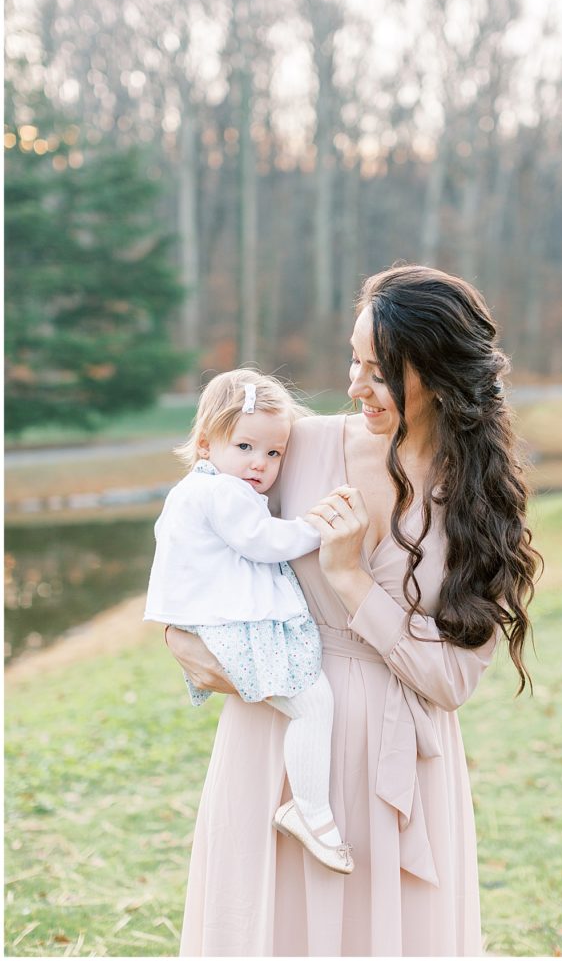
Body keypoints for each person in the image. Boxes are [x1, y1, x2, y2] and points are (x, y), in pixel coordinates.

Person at [165, 265, 541, 956]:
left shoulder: (479, 502)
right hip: (273, 742)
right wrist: (176, 632)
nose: (353, 386)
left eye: (379, 371)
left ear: (437, 372)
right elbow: (199, 521)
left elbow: (451, 682)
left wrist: (349, 580)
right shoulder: (299, 445)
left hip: (398, 769)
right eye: (353, 360)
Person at [145, 369, 354, 875]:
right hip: (233, 624)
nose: (259, 464)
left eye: (274, 453)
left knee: (308, 703)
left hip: (217, 621)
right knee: (312, 703)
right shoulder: (224, 494)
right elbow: (264, 542)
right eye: (245, 446)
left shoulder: (200, 489)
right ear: (204, 444)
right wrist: (317, 527)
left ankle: (308, 808)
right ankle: (310, 811)